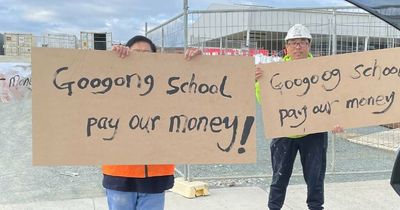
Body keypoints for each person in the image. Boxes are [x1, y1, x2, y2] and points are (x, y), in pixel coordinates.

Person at [103, 35, 201, 210]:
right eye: (136, 53)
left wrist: (196, 63)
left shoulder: (168, 83)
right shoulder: (112, 80)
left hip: (155, 174)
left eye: (146, 54)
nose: (141, 57)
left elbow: (195, 96)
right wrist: (111, 61)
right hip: (120, 173)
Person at [255, 24, 343, 210]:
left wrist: (336, 119)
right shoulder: (274, 71)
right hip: (284, 132)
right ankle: (274, 207)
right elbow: (264, 100)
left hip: (314, 132)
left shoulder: (321, 70)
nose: (298, 46)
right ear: (286, 47)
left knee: (315, 178)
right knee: (279, 176)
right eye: (293, 43)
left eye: (302, 42)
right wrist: (258, 82)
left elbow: (332, 98)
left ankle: (315, 207)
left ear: (309, 45)